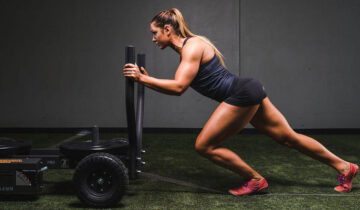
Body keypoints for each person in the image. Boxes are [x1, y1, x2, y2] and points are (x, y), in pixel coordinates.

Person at [123, 8, 358, 195]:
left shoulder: (191, 47)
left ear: (167, 29)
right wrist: (146, 79)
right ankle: (345, 167)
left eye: (155, 33)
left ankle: (255, 180)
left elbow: (179, 87)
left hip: (242, 94)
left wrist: (143, 79)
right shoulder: (190, 48)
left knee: (204, 146)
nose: (153, 38)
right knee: (289, 138)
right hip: (247, 90)